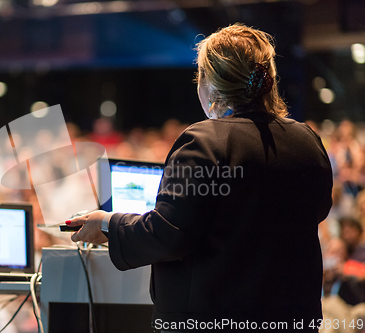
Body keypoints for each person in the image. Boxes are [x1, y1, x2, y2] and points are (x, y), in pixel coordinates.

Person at [66, 23, 333, 332]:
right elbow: (318, 210)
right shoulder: (306, 140)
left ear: (211, 83)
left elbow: (168, 233)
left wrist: (108, 224)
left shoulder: (204, 141)